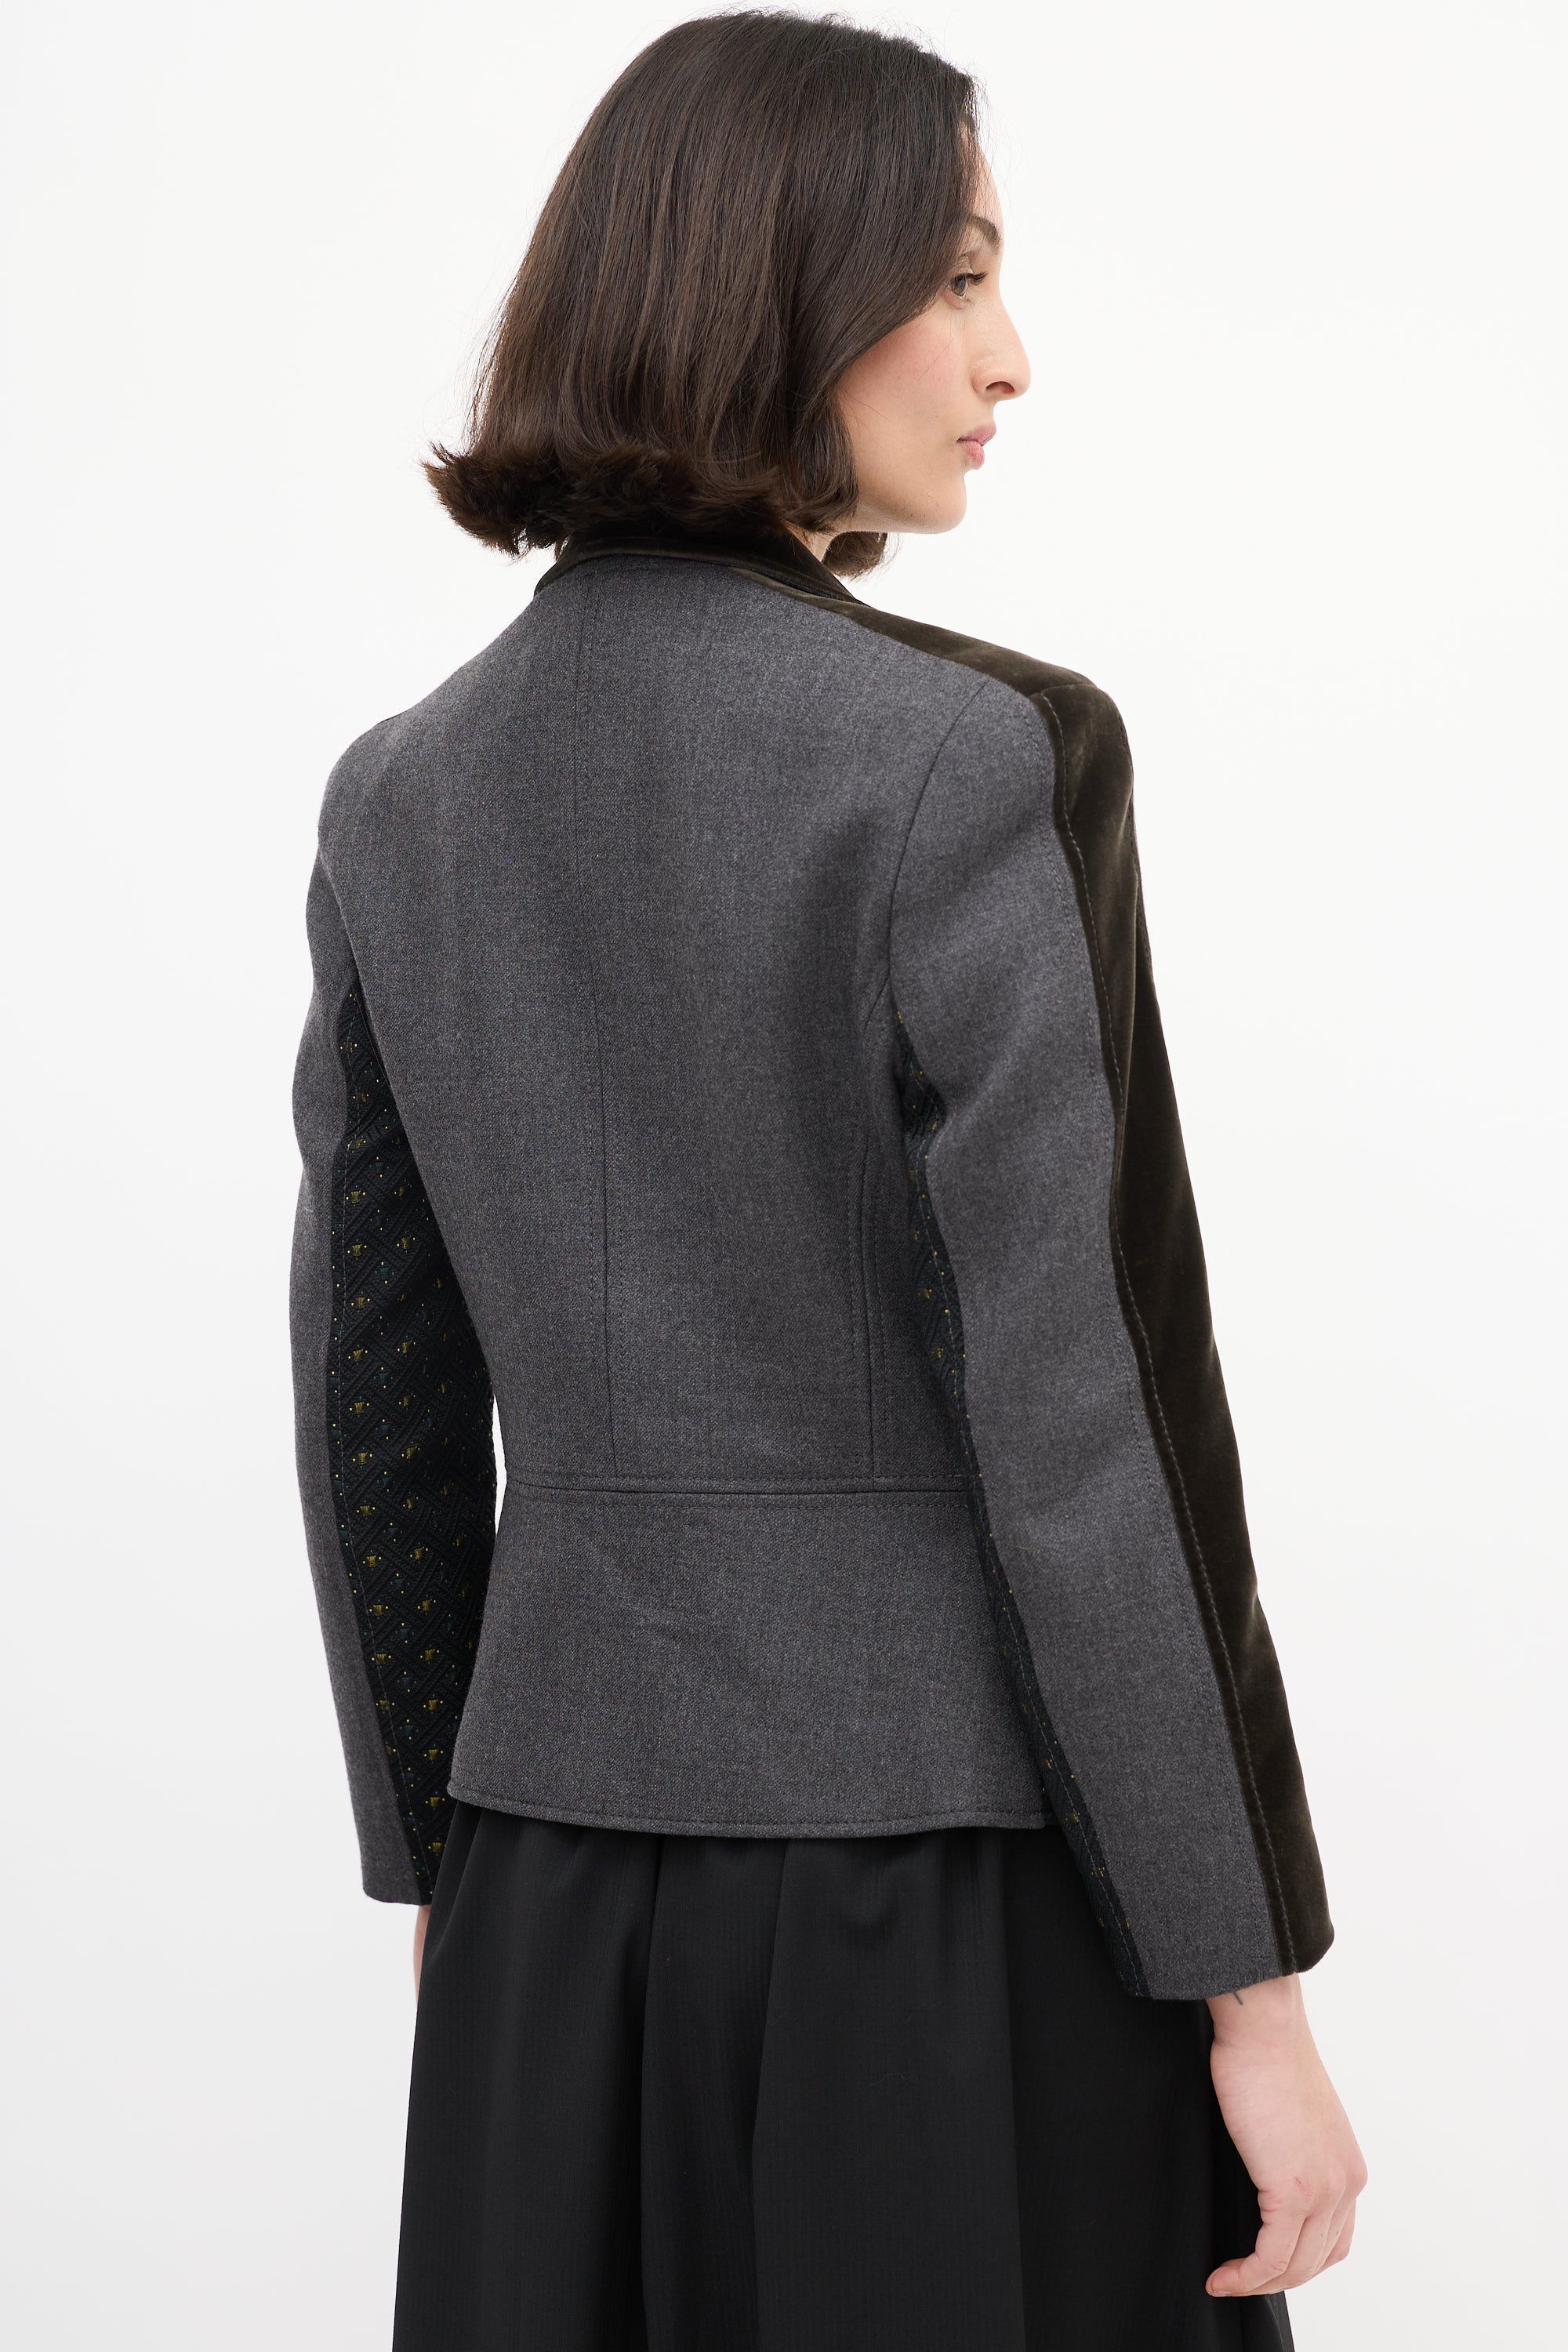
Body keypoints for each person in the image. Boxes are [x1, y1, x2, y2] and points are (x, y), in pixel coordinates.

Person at [289, 13, 1365, 2347]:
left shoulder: (400, 795)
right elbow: (1092, 1421)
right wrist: (1249, 1982)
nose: (1010, 355)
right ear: (785, 290)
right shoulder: (976, 759)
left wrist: (446, 1869)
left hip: (551, 1890)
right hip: (953, 1902)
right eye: (958, 276)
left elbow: (377, 1394)